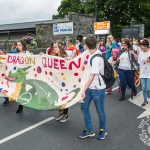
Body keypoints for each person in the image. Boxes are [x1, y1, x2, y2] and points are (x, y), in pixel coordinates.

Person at [78, 36, 107, 140]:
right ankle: (89, 130)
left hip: (98, 89)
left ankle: (103, 130)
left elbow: (92, 76)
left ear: (86, 46)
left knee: (100, 110)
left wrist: (83, 90)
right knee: (84, 108)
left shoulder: (96, 58)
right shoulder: (91, 54)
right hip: (90, 87)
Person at [53, 41, 70, 122]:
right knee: (58, 97)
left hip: (64, 81)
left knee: (64, 97)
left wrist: (68, 60)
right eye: (54, 47)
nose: (54, 49)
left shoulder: (65, 56)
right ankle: (60, 111)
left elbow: (71, 65)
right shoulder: (54, 57)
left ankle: (66, 114)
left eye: (56, 47)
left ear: (60, 48)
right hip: (57, 81)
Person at [15, 40, 30, 113]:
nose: (18, 46)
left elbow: (30, 62)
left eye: (19, 45)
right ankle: (20, 106)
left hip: (25, 74)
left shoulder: (26, 53)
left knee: (25, 89)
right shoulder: (17, 53)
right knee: (19, 90)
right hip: (19, 74)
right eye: (17, 45)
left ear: (23, 45)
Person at [138, 39, 150, 107]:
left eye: (142, 46)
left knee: (148, 87)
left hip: (149, 73)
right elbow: (140, 64)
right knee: (143, 88)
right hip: (143, 73)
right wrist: (139, 74)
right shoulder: (140, 53)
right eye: (140, 46)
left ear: (146, 46)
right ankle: (145, 100)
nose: (141, 47)